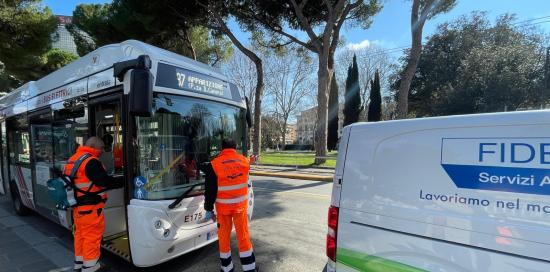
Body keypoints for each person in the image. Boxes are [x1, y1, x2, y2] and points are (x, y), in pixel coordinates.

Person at [65, 136, 123, 272]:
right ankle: (91, 268)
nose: (103, 151)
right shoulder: (90, 161)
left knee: (80, 236)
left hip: (77, 208)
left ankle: (79, 264)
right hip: (91, 208)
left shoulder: (73, 159)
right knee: (91, 238)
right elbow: (103, 181)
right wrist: (124, 181)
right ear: (93, 146)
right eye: (101, 148)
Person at [201, 138, 257, 272]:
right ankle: (250, 268)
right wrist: (252, 160)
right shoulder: (244, 161)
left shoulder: (214, 165)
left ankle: (227, 268)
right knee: (243, 237)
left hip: (223, 210)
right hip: (240, 209)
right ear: (235, 146)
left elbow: (210, 191)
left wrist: (209, 209)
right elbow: (248, 165)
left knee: (224, 239)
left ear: (222, 148)